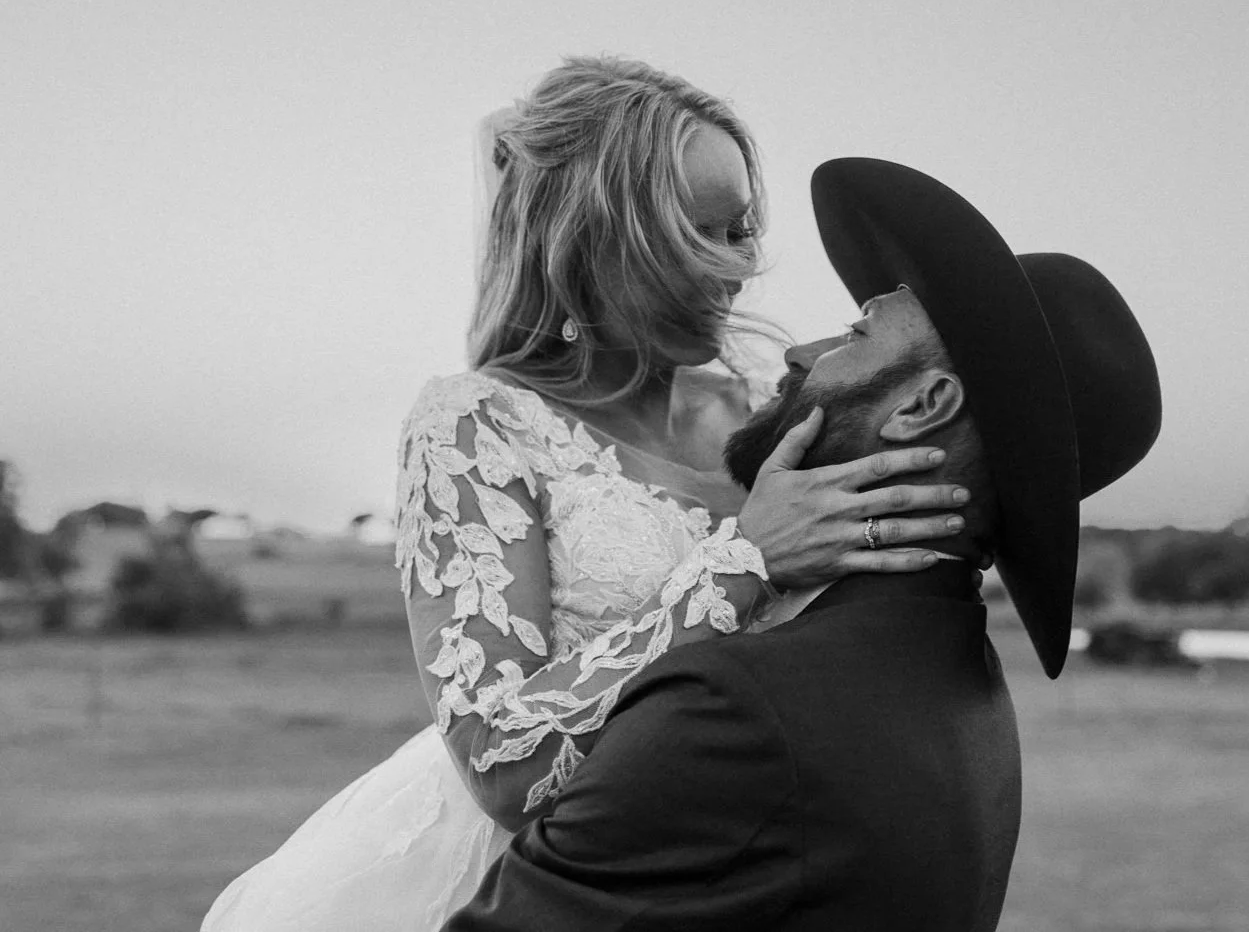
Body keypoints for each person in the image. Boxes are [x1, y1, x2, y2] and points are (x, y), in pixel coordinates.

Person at [201, 60, 973, 931]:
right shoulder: (473, 427)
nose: (741, 266)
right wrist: (741, 563)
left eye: (742, 227)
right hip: (541, 882)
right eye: (701, 234)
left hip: (746, 858)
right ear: (595, 237)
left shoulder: (768, 395)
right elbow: (497, 759)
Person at [446, 157, 1163, 931]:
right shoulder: (969, 696)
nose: (795, 354)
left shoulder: (734, 710)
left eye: (855, 334)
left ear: (922, 405)